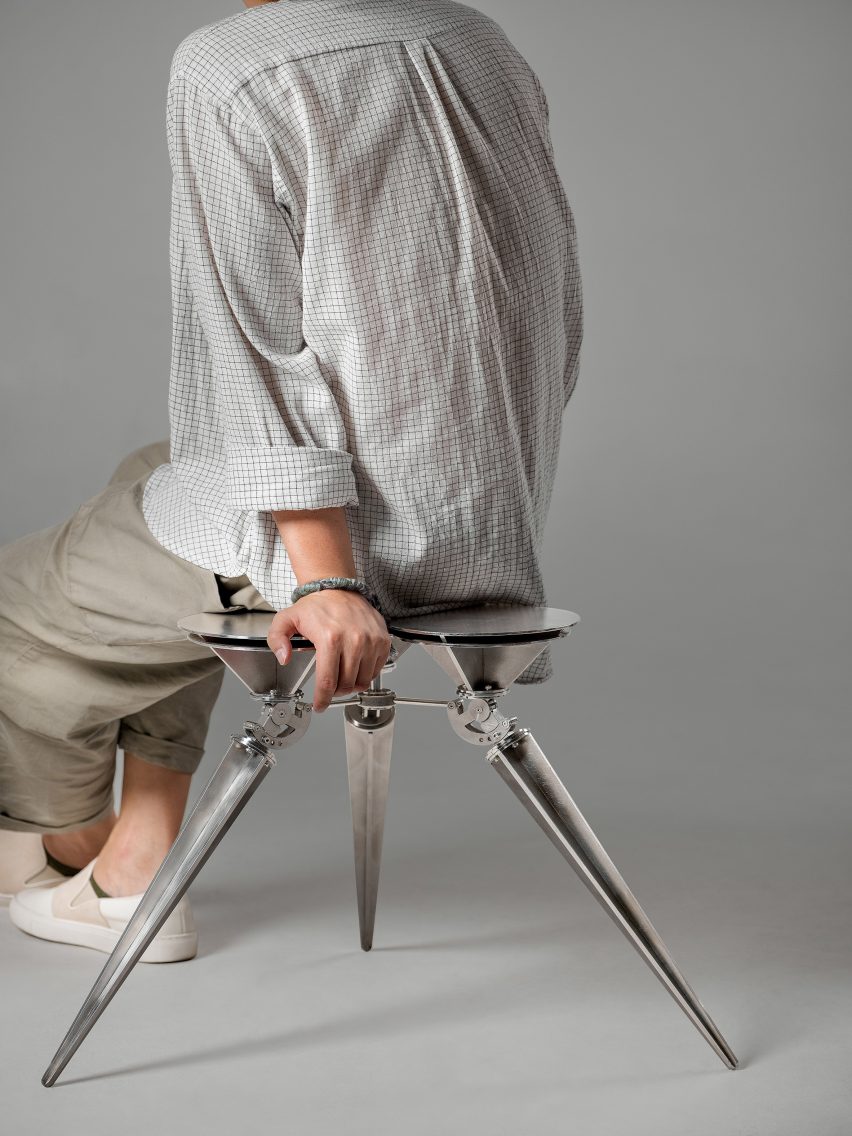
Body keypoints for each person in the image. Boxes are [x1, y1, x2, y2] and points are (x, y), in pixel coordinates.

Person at [0, 0, 582, 961]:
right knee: (157, 477)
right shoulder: (474, 37)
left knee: (13, 608)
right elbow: (556, 307)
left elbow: (251, 353)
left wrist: (327, 581)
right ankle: (139, 861)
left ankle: (70, 851)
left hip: (355, 558)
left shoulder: (231, 66)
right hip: (488, 525)